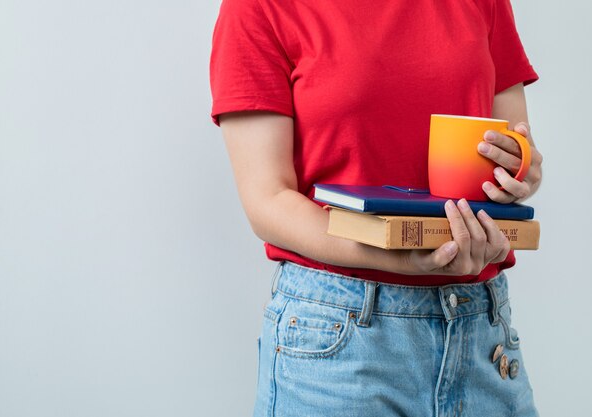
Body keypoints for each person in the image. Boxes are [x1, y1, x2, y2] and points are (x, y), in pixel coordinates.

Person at [209, 0, 543, 416]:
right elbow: (267, 200)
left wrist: (520, 171)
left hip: (481, 333)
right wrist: (395, 253)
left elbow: (514, 149)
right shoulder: (259, 7)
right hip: (340, 344)